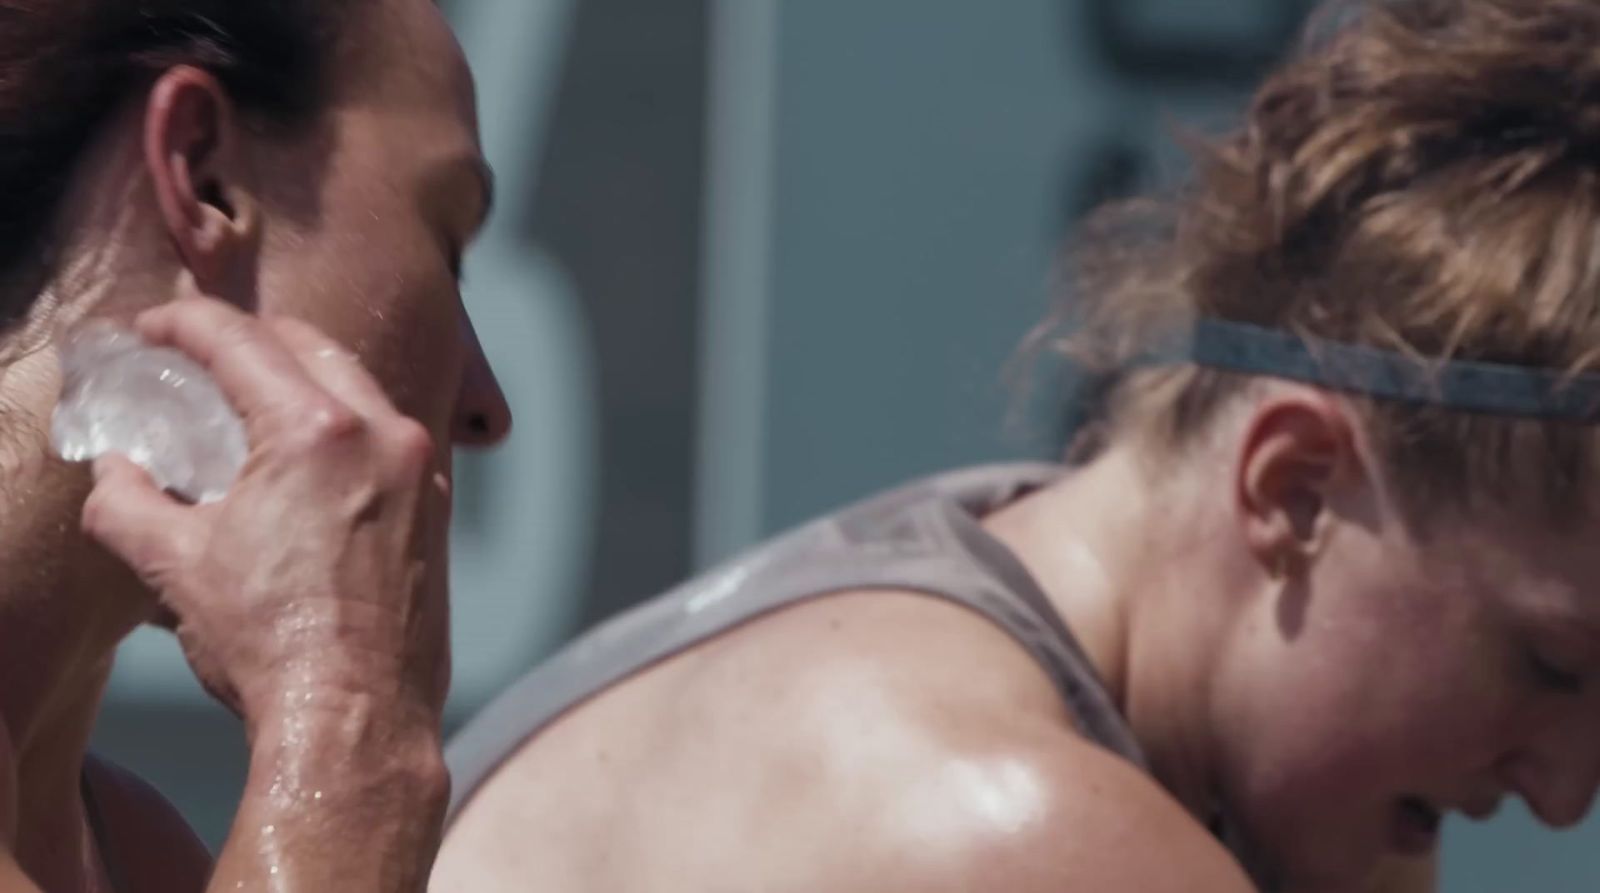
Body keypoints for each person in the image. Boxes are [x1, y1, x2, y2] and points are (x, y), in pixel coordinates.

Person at [433, 1, 1600, 891]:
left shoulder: (883, 617)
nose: (1565, 789)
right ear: (1292, 486)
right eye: (1548, 665)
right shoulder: (1021, 827)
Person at [0, 0, 511, 890]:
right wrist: (351, 740)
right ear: (203, 176)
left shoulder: (135, 848)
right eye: (445, 237)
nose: (485, 404)